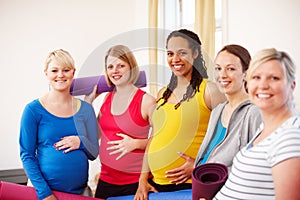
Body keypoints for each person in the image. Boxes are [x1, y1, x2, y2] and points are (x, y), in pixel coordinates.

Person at [134, 29, 226, 200]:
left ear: (196, 53)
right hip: (156, 186)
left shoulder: (210, 90)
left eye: (182, 53)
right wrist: (142, 178)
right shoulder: (163, 94)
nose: (175, 59)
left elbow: (226, 138)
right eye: (170, 53)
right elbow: (154, 137)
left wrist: (200, 165)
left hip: (190, 184)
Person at [212, 48, 300, 199]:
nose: (263, 85)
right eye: (256, 77)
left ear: (292, 86)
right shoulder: (265, 129)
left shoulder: (290, 137)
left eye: (274, 78)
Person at [19, 49, 99, 200]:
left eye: (66, 70)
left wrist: (80, 141)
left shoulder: (86, 109)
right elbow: (27, 155)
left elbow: (94, 152)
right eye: (54, 70)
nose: (60, 75)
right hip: (44, 194)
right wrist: (45, 194)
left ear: (73, 72)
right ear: (46, 73)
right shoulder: (33, 110)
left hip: (79, 193)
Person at [85, 45, 156, 199]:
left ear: (131, 67)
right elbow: (95, 134)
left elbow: (163, 139)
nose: (115, 71)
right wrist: (88, 104)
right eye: (110, 67)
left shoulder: (146, 101)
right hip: (106, 180)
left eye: (121, 66)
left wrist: (136, 143)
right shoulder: (107, 98)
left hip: (135, 181)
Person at [194, 44, 262, 170]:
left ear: (246, 74)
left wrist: (217, 176)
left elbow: (258, 164)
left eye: (230, 69)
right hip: (203, 185)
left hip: (229, 187)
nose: (222, 75)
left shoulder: (254, 112)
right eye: (218, 69)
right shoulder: (217, 111)